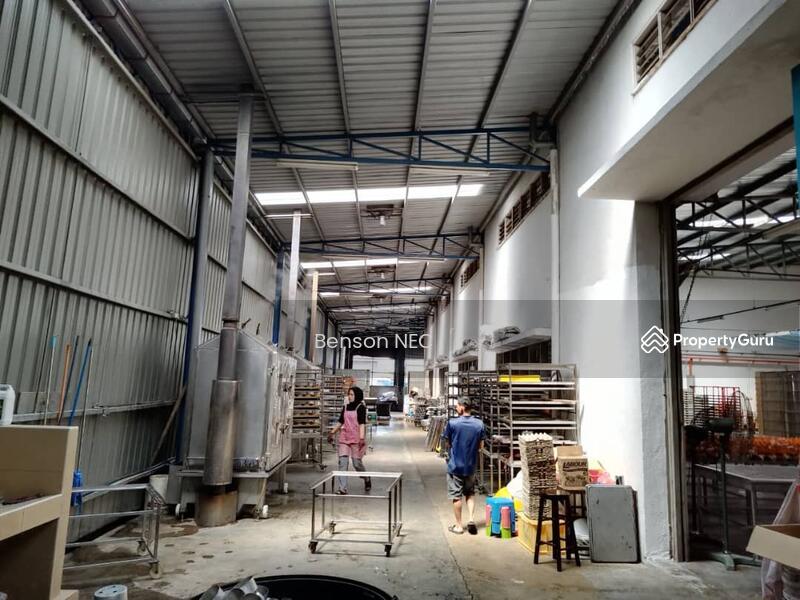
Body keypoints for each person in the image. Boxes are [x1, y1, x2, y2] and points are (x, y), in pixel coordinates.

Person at [441, 397, 485, 535]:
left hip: (455, 466)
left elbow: (448, 443)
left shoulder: (453, 423)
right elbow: (481, 446)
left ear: (462, 407)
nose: (456, 408)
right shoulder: (479, 424)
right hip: (470, 466)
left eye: (457, 406)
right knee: (470, 493)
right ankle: (471, 519)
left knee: (456, 496)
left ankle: (459, 526)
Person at [328, 385, 371, 494]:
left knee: (356, 463)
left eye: (352, 394)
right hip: (344, 438)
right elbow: (340, 421)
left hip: (356, 438)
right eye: (349, 394)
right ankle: (342, 488)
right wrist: (332, 432)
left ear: (357, 396)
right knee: (342, 463)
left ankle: (366, 478)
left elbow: (362, 424)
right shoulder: (346, 407)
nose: (349, 396)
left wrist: (362, 438)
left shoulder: (361, 408)